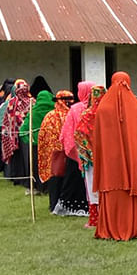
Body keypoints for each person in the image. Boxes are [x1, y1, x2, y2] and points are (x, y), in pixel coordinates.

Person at [94, 72, 137, 240]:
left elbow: (97, 140)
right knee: (131, 189)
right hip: (132, 163)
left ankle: (110, 228)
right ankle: (135, 227)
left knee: (112, 187)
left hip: (110, 166)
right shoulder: (135, 107)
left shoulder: (103, 108)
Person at [55, 81, 93, 217]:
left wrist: (68, 144)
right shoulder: (96, 107)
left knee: (73, 179)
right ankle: (92, 205)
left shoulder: (75, 109)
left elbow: (67, 130)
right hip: (93, 150)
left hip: (76, 149)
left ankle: (71, 206)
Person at [75, 85, 106, 228]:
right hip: (107, 158)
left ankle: (94, 220)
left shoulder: (86, 115)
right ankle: (108, 218)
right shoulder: (110, 115)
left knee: (93, 188)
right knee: (106, 187)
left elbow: (79, 135)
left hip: (90, 159)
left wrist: (86, 152)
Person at [38, 90, 74, 211]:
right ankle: (55, 205)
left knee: (58, 178)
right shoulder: (54, 116)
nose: (70, 102)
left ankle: (57, 205)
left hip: (58, 153)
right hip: (60, 153)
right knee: (58, 178)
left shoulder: (51, 116)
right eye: (67, 99)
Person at [19, 90, 55, 193]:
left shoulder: (33, 112)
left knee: (35, 166)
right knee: (50, 165)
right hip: (50, 144)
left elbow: (23, 131)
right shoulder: (54, 110)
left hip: (35, 145)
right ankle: (49, 187)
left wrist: (29, 140)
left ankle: (37, 187)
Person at [0, 79, 34, 186]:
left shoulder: (11, 102)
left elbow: (6, 120)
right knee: (27, 157)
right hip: (27, 135)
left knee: (17, 157)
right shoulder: (32, 102)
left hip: (13, 136)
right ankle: (27, 179)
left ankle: (17, 178)